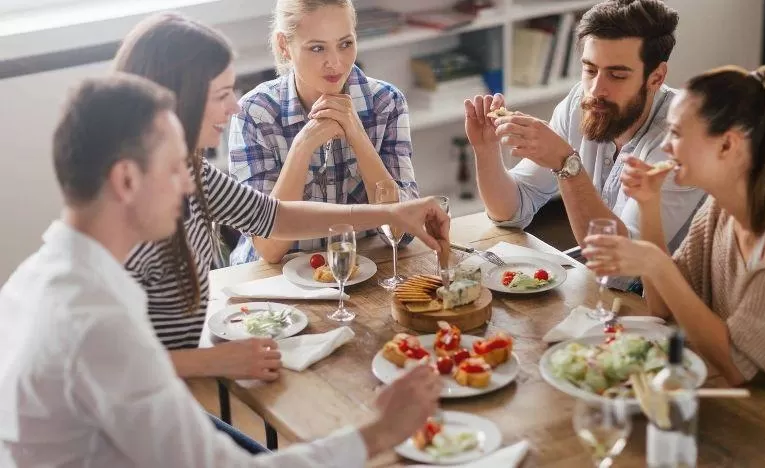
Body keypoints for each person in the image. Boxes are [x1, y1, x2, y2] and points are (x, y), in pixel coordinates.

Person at [0, 74, 442, 467]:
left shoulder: (37, 277)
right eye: (176, 169)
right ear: (127, 181)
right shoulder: (98, 325)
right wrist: (380, 431)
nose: (191, 184)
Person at [582, 65, 765, 386]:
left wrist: (655, 262)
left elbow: (738, 367)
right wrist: (649, 204)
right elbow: (662, 307)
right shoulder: (720, 207)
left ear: (727, 145)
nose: (666, 146)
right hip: (745, 397)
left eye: (675, 132)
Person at [466, 0, 704, 290]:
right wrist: (486, 150)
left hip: (666, 308)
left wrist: (567, 165)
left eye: (617, 75)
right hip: (600, 289)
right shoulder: (580, 102)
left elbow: (621, 269)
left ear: (656, 77)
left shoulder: (683, 137)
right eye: (590, 70)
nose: (596, 90)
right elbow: (511, 211)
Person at [227, 0, 418, 265]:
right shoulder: (253, 112)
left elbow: (403, 233)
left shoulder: (386, 102)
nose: (335, 62)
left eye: (345, 44)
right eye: (317, 48)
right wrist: (302, 146)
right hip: (269, 281)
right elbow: (270, 250)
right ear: (284, 46)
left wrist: (358, 136)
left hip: (358, 271)